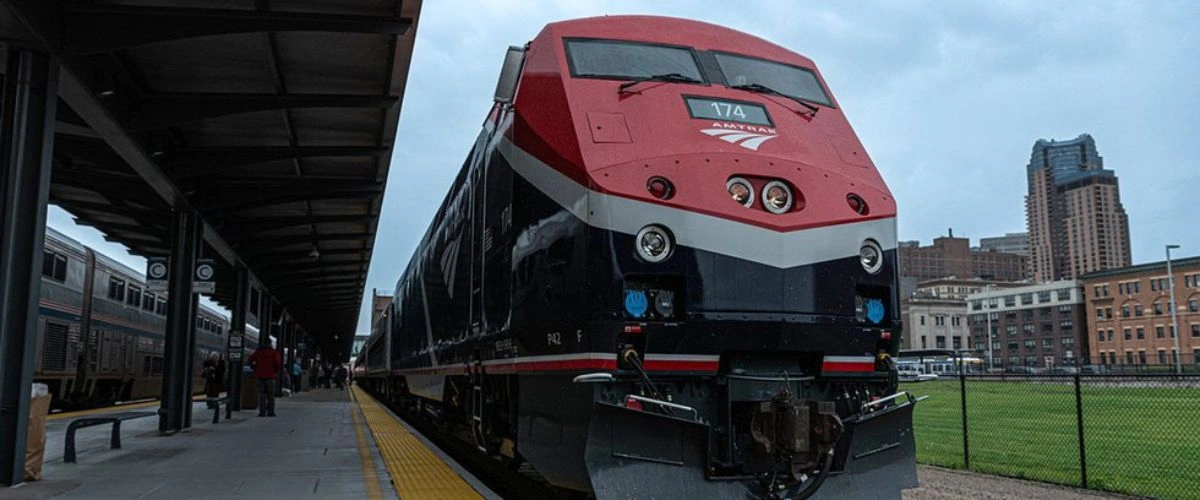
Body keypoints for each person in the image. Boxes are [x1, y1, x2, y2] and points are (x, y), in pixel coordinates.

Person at [248, 339, 282, 417]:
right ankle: (271, 412)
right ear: (270, 344)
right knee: (271, 396)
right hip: (271, 377)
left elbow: (250, 360)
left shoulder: (259, 352)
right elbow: (277, 363)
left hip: (260, 377)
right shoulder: (274, 352)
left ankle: (262, 412)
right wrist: (274, 371)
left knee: (261, 395)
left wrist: (255, 367)